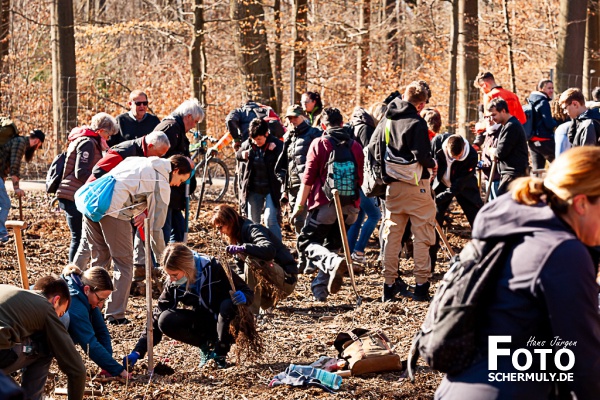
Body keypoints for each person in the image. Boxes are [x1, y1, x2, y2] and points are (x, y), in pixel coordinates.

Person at [435, 146, 600, 399]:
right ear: (581, 204)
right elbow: (581, 362)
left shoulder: (513, 226)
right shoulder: (563, 251)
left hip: (460, 387)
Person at [82, 155, 192, 325]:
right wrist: (165, 261)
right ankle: (115, 315)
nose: (178, 184)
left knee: (99, 259)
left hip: (93, 202)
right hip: (114, 212)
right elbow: (156, 229)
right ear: (175, 170)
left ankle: (88, 309)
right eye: (181, 179)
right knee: (124, 264)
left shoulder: (142, 161)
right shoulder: (161, 183)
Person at [124, 242, 253, 369]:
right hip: (205, 322)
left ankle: (220, 354)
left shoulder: (215, 267)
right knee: (165, 319)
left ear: (187, 268)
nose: (172, 279)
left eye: (175, 275)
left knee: (227, 304)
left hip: (229, 323)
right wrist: (138, 351)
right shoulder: (174, 284)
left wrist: (244, 298)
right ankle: (206, 345)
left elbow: (248, 292)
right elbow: (157, 315)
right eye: (169, 275)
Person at [370, 81, 437, 302]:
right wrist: (432, 163)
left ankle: (388, 285)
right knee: (422, 236)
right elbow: (423, 155)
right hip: (416, 185)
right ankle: (421, 286)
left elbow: (373, 148)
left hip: (393, 186)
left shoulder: (387, 119)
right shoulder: (416, 123)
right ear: (420, 105)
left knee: (392, 236)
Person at [291, 107, 364, 302]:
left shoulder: (319, 143)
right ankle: (320, 291)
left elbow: (307, 179)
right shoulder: (355, 146)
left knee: (305, 242)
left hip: (325, 206)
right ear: (342, 123)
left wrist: (298, 207)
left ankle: (332, 263)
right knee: (332, 246)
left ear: (323, 125)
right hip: (351, 209)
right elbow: (361, 179)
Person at [89, 130, 171, 282]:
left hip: (121, 208)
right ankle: (73, 284)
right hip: (100, 204)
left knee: (104, 255)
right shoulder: (124, 152)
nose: (160, 159)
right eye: (159, 154)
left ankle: (96, 288)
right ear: (151, 146)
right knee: (93, 252)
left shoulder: (148, 159)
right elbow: (98, 172)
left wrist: (142, 209)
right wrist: (98, 202)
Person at [0, 279, 86, 400]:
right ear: (56, 301)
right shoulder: (45, 307)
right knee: (46, 347)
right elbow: (77, 370)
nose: (58, 318)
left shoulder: (11, 291)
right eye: (60, 314)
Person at [211, 205, 297, 314]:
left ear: (230, 221)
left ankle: (252, 311)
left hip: (286, 280)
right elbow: (242, 272)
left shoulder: (252, 228)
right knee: (229, 279)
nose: (220, 232)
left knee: (252, 261)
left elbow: (269, 250)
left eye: (220, 227)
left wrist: (244, 248)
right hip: (268, 285)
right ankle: (257, 304)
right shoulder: (235, 237)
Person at [57, 113, 118, 262]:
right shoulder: (88, 143)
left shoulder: (89, 141)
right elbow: (81, 171)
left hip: (72, 193)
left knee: (80, 237)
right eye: (108, 134)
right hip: (72, 195)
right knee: (78, 237)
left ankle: (75, 272)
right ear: (102, 130)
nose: (109, 139)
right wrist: (97, 183)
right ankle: (72, 275)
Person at [61, 265, 131, 379]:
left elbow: (101, 330)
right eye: (100, 299)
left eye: (104, 300)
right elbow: (89, 342)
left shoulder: (86, 295)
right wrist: (118, 370)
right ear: (87, 289)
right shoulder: (74, 302)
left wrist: (107, 367)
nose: (101, 305)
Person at [430, 133, 482, 269]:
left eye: (459, 157)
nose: (456, 159)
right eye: (453, 157)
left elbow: (456, 188)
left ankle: (482, 262)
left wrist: (436, 200)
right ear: (446, 147)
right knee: (433, 222)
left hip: (465, 188)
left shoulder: (471, 155)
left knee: (478, 220)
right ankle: (429, 267)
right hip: (440, 185)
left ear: (464, 146)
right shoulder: (437, 143)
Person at [155, 99, 203, 243]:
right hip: (167, 191)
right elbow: (159, 154)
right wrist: (184, 162)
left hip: (175, 194)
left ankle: (175, 260)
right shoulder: (170, 129)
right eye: (194, 121)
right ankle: (163, 262)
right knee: (166, 230)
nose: (194, 125)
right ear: (188, 116)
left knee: (179, 230)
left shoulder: (177, 129)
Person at [237, 118, 286, 240]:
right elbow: (238, 154)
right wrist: (242, 155)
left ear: (266, 134)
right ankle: (257, 247)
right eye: (254, 139)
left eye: (259, 139)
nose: (256, 142)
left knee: (270, 219)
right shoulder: (248, 144)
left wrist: (276, 150)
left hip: (271, 189)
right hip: (253, 189)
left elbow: (286, 156)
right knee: (253, 221)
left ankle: (277, 249)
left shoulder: (276, 144)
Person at [277, 104, 322, 237]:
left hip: (310, 185)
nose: (292, 120)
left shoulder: (314, 133)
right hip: (292, 186)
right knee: (298, 221)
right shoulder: (288, 137)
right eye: (289, 118)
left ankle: (312, 248)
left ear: (303, 116)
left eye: (295, 117)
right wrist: (284, 187)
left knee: (312, 220)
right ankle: (302, 248)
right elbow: (285, 163)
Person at [346, 106, 381, 264]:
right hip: (361, 179)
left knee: (359, 217)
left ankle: (349, 254)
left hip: (353, 178)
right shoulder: (366, 129)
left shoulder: (355, 124)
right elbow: (369, 158)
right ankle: (358, 251)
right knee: (375, 215)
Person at [0, 129, 45, 243]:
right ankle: (2, 234)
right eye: (38, 146)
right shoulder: (20, 143)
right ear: (37, 141)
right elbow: (15, 165)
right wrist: (16, 188)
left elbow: (6, 163)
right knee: (5, 204)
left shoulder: (18, 141)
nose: (36, 149)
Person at [486, 98, 529, 196]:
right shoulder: (506, 125)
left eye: (494, 115)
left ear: (503, 111)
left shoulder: (511, 126)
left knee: (504, 202)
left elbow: (500, 152)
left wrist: (491, 150)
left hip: (514, 174)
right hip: (511, 173)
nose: (492, 119)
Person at [527, 79, 558, 169]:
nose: (551, 91)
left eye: (552, 88)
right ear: (540, 88)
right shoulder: (543, 102)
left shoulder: (531, 100)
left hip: (532, 141)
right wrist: (557, 122)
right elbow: (548, 123)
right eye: (549, 88)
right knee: (559, 165)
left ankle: (535, 183)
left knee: (537, 170)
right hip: (545, 141)